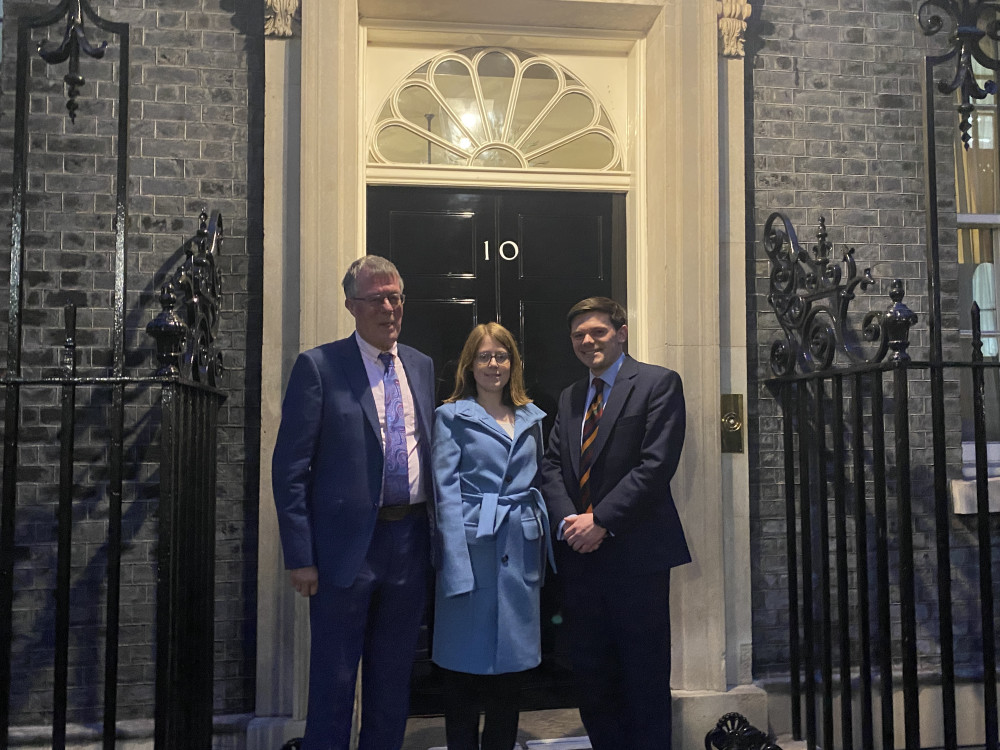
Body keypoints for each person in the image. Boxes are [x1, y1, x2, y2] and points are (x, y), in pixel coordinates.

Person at [271, 256, 436, 750]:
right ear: (351, 306)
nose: (389, 308)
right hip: (345, 551)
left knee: (392, 680)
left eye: (396, 297)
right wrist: (300, 556)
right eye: (377, 299)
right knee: (335, 679)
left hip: (409, 543)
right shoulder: (319, 367)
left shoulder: (422, 367)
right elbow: (290, 469)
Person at [540, 296, 690, 750]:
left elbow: (655, 465)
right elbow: (550, 465)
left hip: (636, 558)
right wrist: (572, 521)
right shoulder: (569, 397)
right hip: (581, 560)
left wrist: (600, 521)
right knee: (592, 675)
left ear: (621, 332)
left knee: (642, 677)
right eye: (578, 336)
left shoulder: (658, 384)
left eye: (598, 332)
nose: (588, 341)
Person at [431, 322, 551, 750]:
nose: (494, 364)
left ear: (512, 364)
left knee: (510, 681)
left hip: (519, 551)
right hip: (471, 548)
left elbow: (541, 480)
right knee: (461, 679)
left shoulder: (532, 417)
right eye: (485, 356)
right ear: (470, 363)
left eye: (501, 356)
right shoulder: (450, 416)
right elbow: (444, 494)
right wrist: (456, 568)